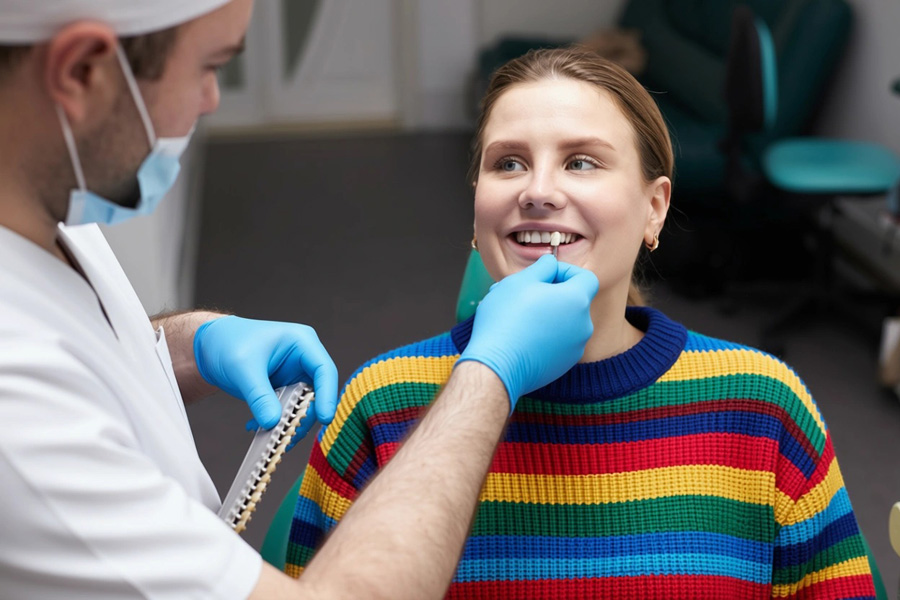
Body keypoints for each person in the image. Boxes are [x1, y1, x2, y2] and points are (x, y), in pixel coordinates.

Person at [0, 2, 601, 598]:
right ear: (81, 72)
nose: (211, 100)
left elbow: (81, 346)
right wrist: (490, 376)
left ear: (649, 207)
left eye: (581, 162)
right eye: (208, 67)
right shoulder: (18, 413)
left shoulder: (45, 204)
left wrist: (184, 345)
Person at [287, 47, 878, 599]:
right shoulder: (380, 403)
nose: (537, 191)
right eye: (509, 163)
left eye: (581, 162)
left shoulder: (763, 404)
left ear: (654, 209)